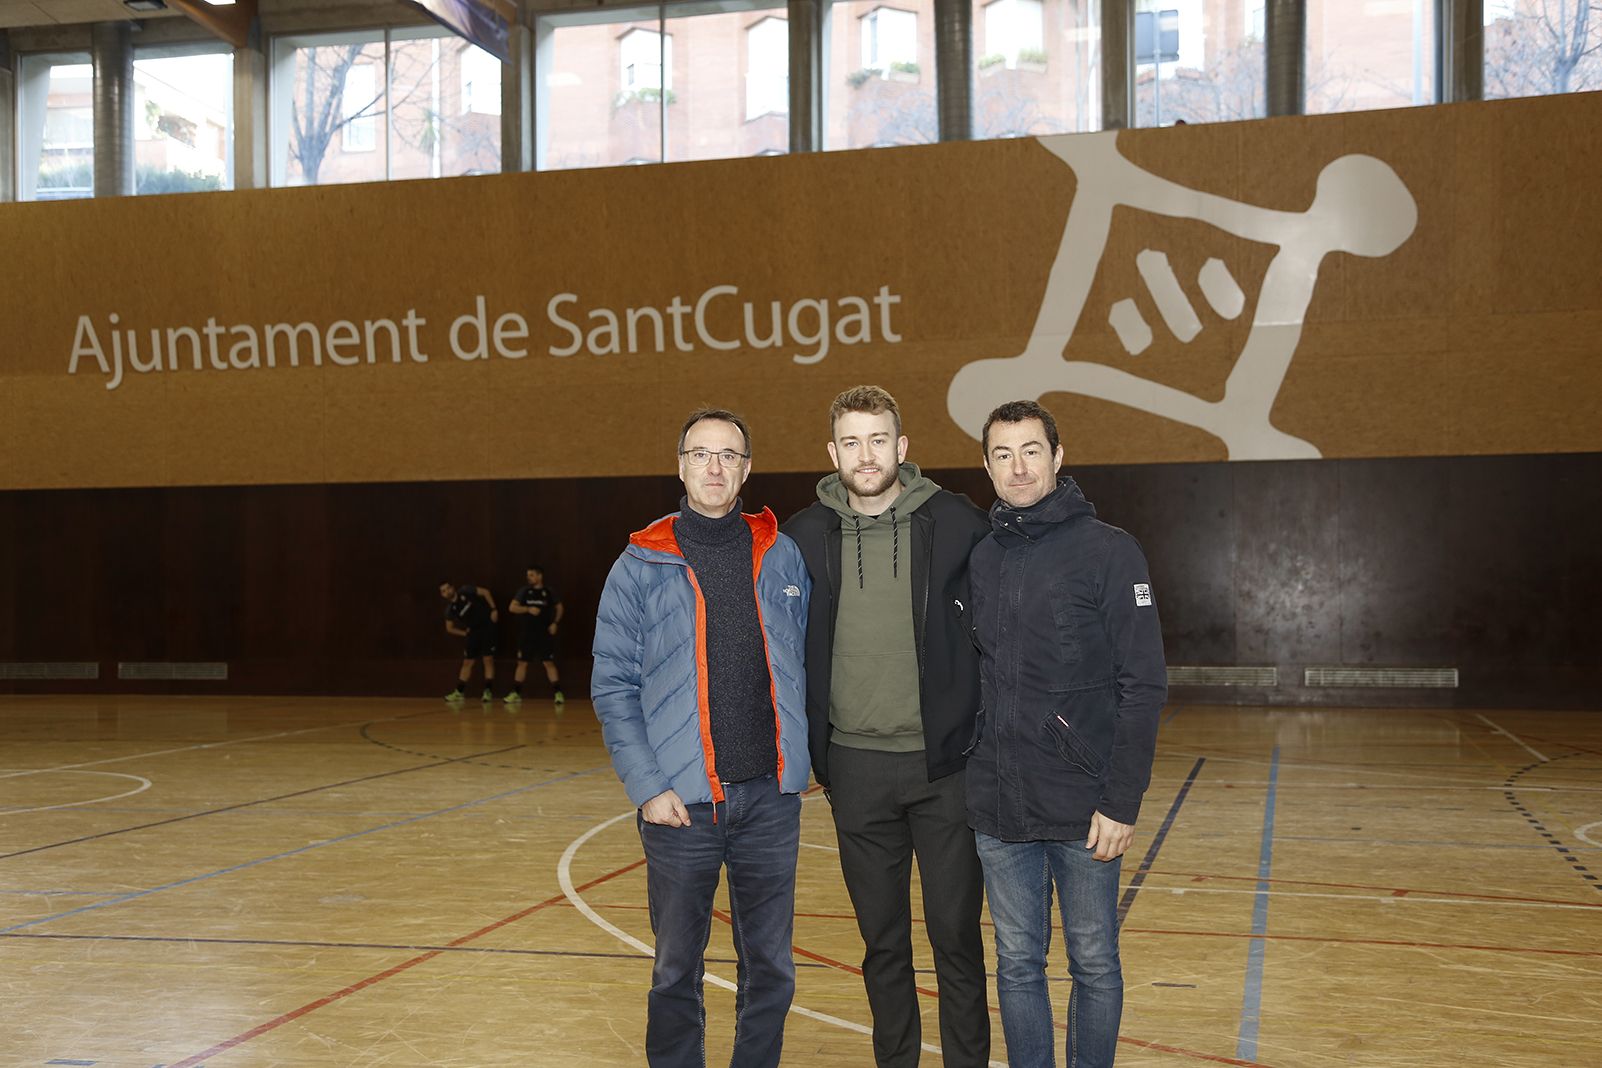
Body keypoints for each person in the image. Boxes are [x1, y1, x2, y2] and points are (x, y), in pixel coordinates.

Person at [590, 407, 812, 1068]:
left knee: (771, 967)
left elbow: (807, 663)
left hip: (770, 800)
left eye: (728, 456)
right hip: (680, 806)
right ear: (680, 466)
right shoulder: (638, 565)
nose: (715, 467)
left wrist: (803, 761)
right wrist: (648, 787)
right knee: (675, 969)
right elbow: (613, 686)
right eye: (701, 454)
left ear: (747, 469)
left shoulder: (782, 553)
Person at [782, 385, 991, 1067]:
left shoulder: (957, 521)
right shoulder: (801, 536)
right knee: (883, 944)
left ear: (902, 447)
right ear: (832, 451)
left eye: (878, 440)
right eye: (852, 441)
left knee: (956, 940)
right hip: (854, 770)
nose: (866, 455)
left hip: (944, 769)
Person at [965, 400, 1166, 1068]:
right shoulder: (984, 557)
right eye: (1002, 454)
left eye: (1031, 451)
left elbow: (1144, 684)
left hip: (1086, 807)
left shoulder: (1110, 551)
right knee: (1017, 962)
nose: (1018, 467)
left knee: (1094, 963)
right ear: (987, 466)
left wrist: (1122, 801)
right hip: (1000, 806)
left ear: (1057, 456)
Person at [506, 565, 564, 706]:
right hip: (527, 633)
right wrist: (527, 609)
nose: (529, 578)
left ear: (539, 576)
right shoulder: (524, 591)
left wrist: (555, 623)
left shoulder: (548, 592)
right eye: (528, 575)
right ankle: (516, 693)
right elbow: (512, 607)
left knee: (548, 662)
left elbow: (560, 608)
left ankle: (558, 693)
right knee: (522, 663)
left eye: (531, 575)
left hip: (544, 633)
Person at [440, 581, 499, 703]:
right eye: (444, 591)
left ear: (453, 587)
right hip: (473, 633)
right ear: (442, 595)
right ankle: (459, 692)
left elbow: (485, 592)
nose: (447, 592)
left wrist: (493, 609)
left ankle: (488, 691)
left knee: (487, 659)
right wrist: (465, 633)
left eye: (448, 588)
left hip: (486, 627)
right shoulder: (450, 610)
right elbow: (449, 628)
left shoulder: (466, 590)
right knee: (467, 662)